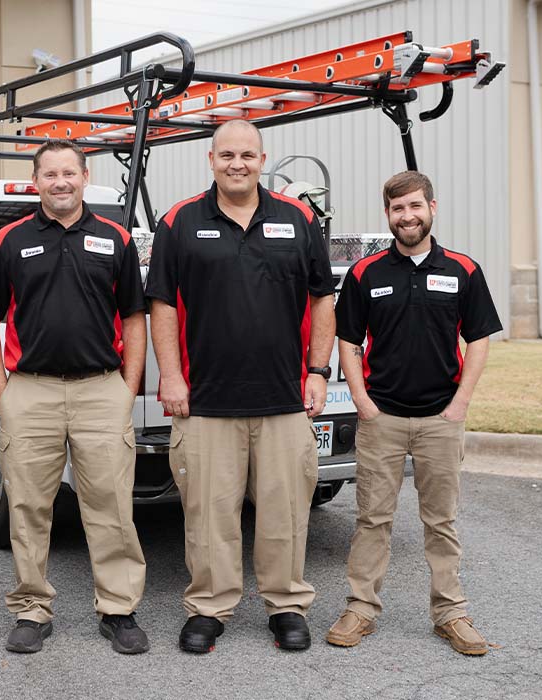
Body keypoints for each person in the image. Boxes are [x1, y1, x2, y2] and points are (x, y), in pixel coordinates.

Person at [147, 120, 335, 653]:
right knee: (209, 514)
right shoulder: (180, 222)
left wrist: (317, 371)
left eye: (247, 154)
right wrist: (172, 374)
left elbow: (323, 298)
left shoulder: (297, 218)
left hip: (284, 397)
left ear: (262, 159)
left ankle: (287, 605)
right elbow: (160, 303)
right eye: (227, 154)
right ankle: (209, 607)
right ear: (210, 160)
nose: (237, 163)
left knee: (286, 512)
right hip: (205, 401)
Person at [0, 139, 149, 655]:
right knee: (28, 506)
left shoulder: (115, 238)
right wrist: (3, 392)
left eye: (69, 173)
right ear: (36, 181)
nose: (60, 182)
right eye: (50, 174)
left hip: (101, 390)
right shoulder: (8, 241)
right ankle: (32, 609)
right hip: (31, 391)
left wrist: (128, 388)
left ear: (85, 176)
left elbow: (134, 318)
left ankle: (118, 609)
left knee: (112, 505)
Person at [326, 171, 502, 655]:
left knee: (441, 521)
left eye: (414, 207)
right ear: (388, 215)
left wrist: (461, 403)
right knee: (372, 519)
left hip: (439, 420)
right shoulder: (367, 273)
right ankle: (360, 608)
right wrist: (362, 401)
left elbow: (480, 338)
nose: (407, 216)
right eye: (397, 208)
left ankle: (451, 613)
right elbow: (348, 340)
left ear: (432, 208)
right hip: (382, 419)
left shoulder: (463, 270)